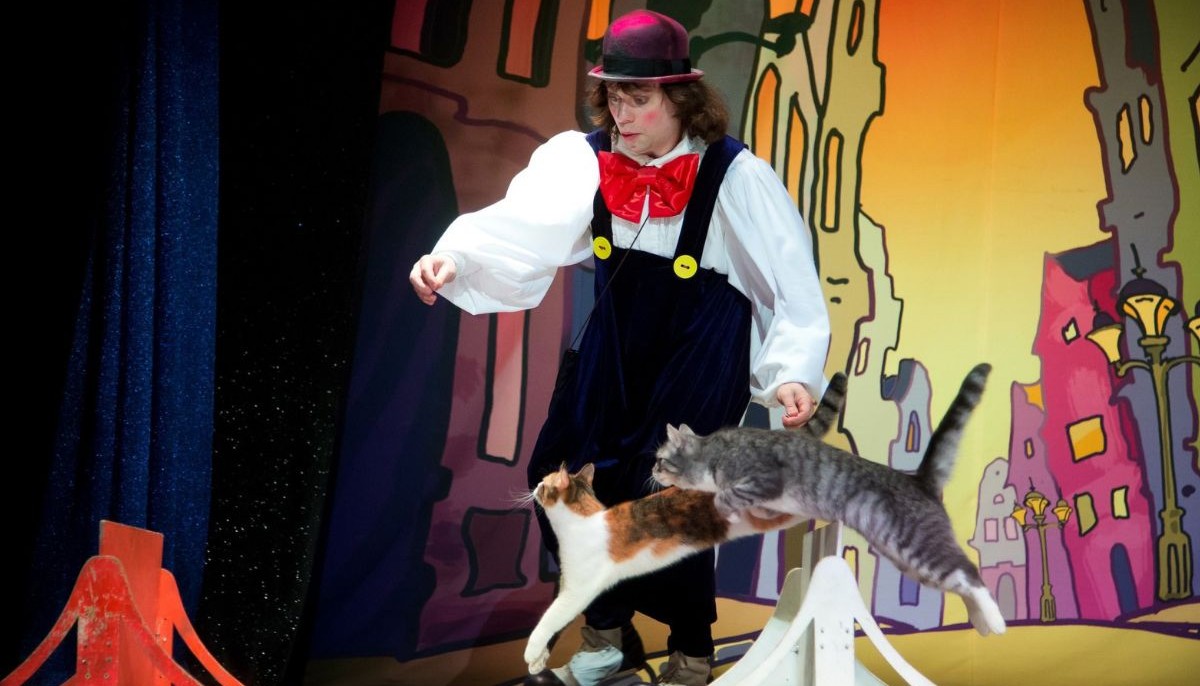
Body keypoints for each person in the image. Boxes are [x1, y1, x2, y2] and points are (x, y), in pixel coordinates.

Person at [410, 9, 830, 686]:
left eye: (638, 99)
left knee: (668, 496)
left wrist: (790, 373)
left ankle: (691, 650)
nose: (621, 113)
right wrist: (453, 259)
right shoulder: (583, 159)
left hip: (701, 345)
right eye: (612, 97)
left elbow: (787, 280)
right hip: (615, 338)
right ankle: (608, 635)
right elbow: (521, 226)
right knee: (560, 479)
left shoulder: (733, 173)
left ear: (680, 97)